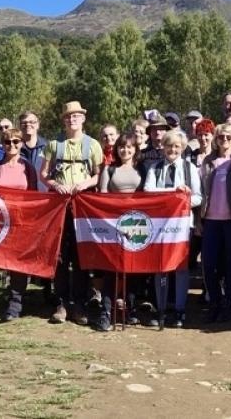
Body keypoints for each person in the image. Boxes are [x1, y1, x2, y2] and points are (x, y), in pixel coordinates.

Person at [42, 101, 103, 325]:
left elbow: (99, 175)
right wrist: (55, 185)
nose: (72, 119)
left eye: (76, 116)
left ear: (83, 118)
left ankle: (79, 303)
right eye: (68, 116)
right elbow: (44, 174)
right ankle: (61, 302)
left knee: (80, 256)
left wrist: (85, 184)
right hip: (58, 207)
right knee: (59, 256)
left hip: (82, 206)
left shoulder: (93, 145)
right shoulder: (53, 144)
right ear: (63, 120)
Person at [142, 128, 201, 327]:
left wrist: (182, 199)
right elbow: (148, 192)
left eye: (177, 146)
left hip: (182, 225)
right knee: (160, 267)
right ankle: (161, 308)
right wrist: (173, 194)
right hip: (159, 225)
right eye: (169, 145)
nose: (172, 149)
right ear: (163, 147)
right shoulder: (155, 167)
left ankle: (180, 309)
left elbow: (198, 197)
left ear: (183, 148)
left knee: (180, 267)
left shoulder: (188, 168)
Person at [0, 129, 42, 322]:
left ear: (21, 144)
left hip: (21, 219)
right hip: (0, 221)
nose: (12, 145)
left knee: (18, 262)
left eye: (16, 142)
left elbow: (34, 193)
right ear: (2, 144)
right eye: (8, 142)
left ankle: (15, 303)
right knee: (0, 259)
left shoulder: (28, 167)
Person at [94, 133, 145, 331]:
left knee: (133, 269)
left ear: (135, 149)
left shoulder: (141, 169)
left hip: (136, 225)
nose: (126, 150)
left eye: (129, 147)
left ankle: (130, 310)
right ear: (117, 149)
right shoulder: (110, 169)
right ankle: (106, 312)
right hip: (113, 225)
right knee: (111, 270)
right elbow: (103, 196)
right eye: (122, 147)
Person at [197, 123, 231, 324]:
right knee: (209, 265)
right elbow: (200, 191)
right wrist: (199, 219)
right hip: (210, 220)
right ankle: (214, 302)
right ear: (215, 139)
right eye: (221, 137)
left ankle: (229, 304)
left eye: (229, 137)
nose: (225, 141)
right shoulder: (208, 161)